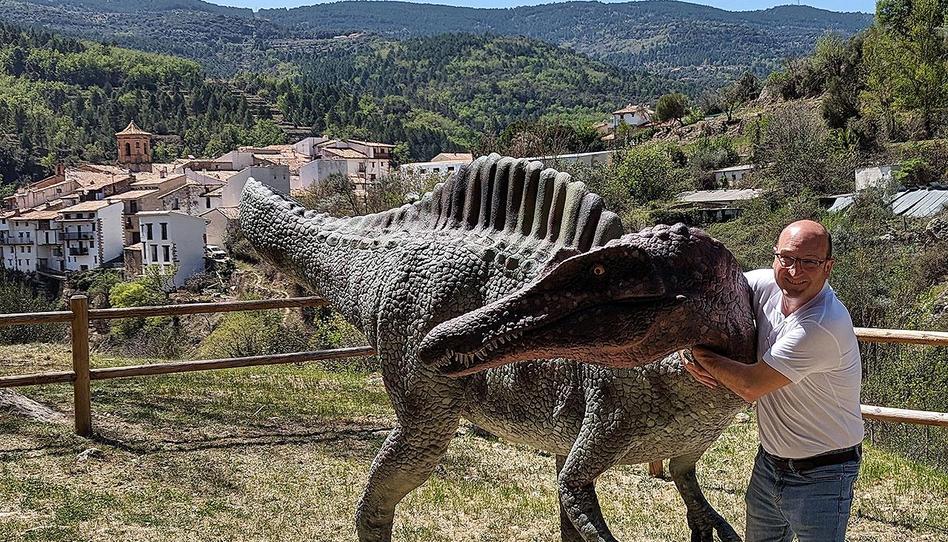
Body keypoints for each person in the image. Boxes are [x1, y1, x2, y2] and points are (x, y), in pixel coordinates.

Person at [683, 219, 864, 542]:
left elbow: (751, 385)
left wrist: (701, 354)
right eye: (787, 258)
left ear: (828, 267)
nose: (795, 271)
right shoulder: (765, 286)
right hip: (770, 463)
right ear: (775, 257)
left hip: (824, 473)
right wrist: (685, 347)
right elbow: (707, 299)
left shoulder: (821, 324)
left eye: (809, 262)